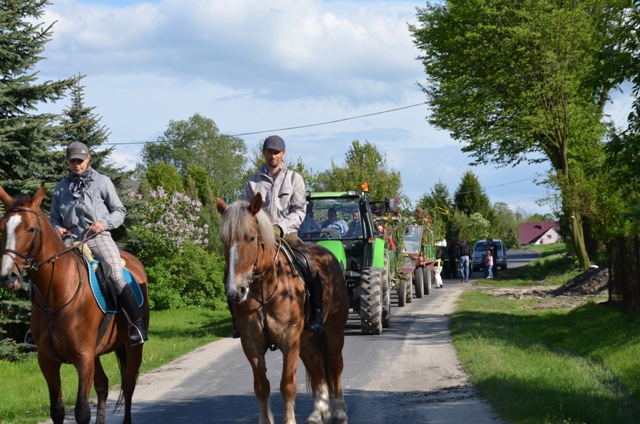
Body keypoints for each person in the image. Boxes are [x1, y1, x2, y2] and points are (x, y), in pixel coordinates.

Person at [50, 142, 148, 346]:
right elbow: (54, 218)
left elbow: (119, 211)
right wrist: (58, 227)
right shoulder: (60, 188)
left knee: (114, 272)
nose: (76, 164)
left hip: (98, 238)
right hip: (69, 241)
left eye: (80, 160)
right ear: (67, 162)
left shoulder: (102, 182)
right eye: (72, 161)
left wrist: (104, 223)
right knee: (47, 274)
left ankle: (138, 325)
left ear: (88, 159)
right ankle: (39, 331)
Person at [241, 135, 324, 334]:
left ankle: (317, 314)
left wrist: (280, 228)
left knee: (309, 264)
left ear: (283, 154)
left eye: (277, 152)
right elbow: (245, 211)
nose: (273, 155)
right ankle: (238, 321)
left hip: (286, 234)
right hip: (259, 238)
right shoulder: (252, 183)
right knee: (234, 269)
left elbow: (299, 210)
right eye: (270, 151)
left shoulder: (295, 179)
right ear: (264, 153)